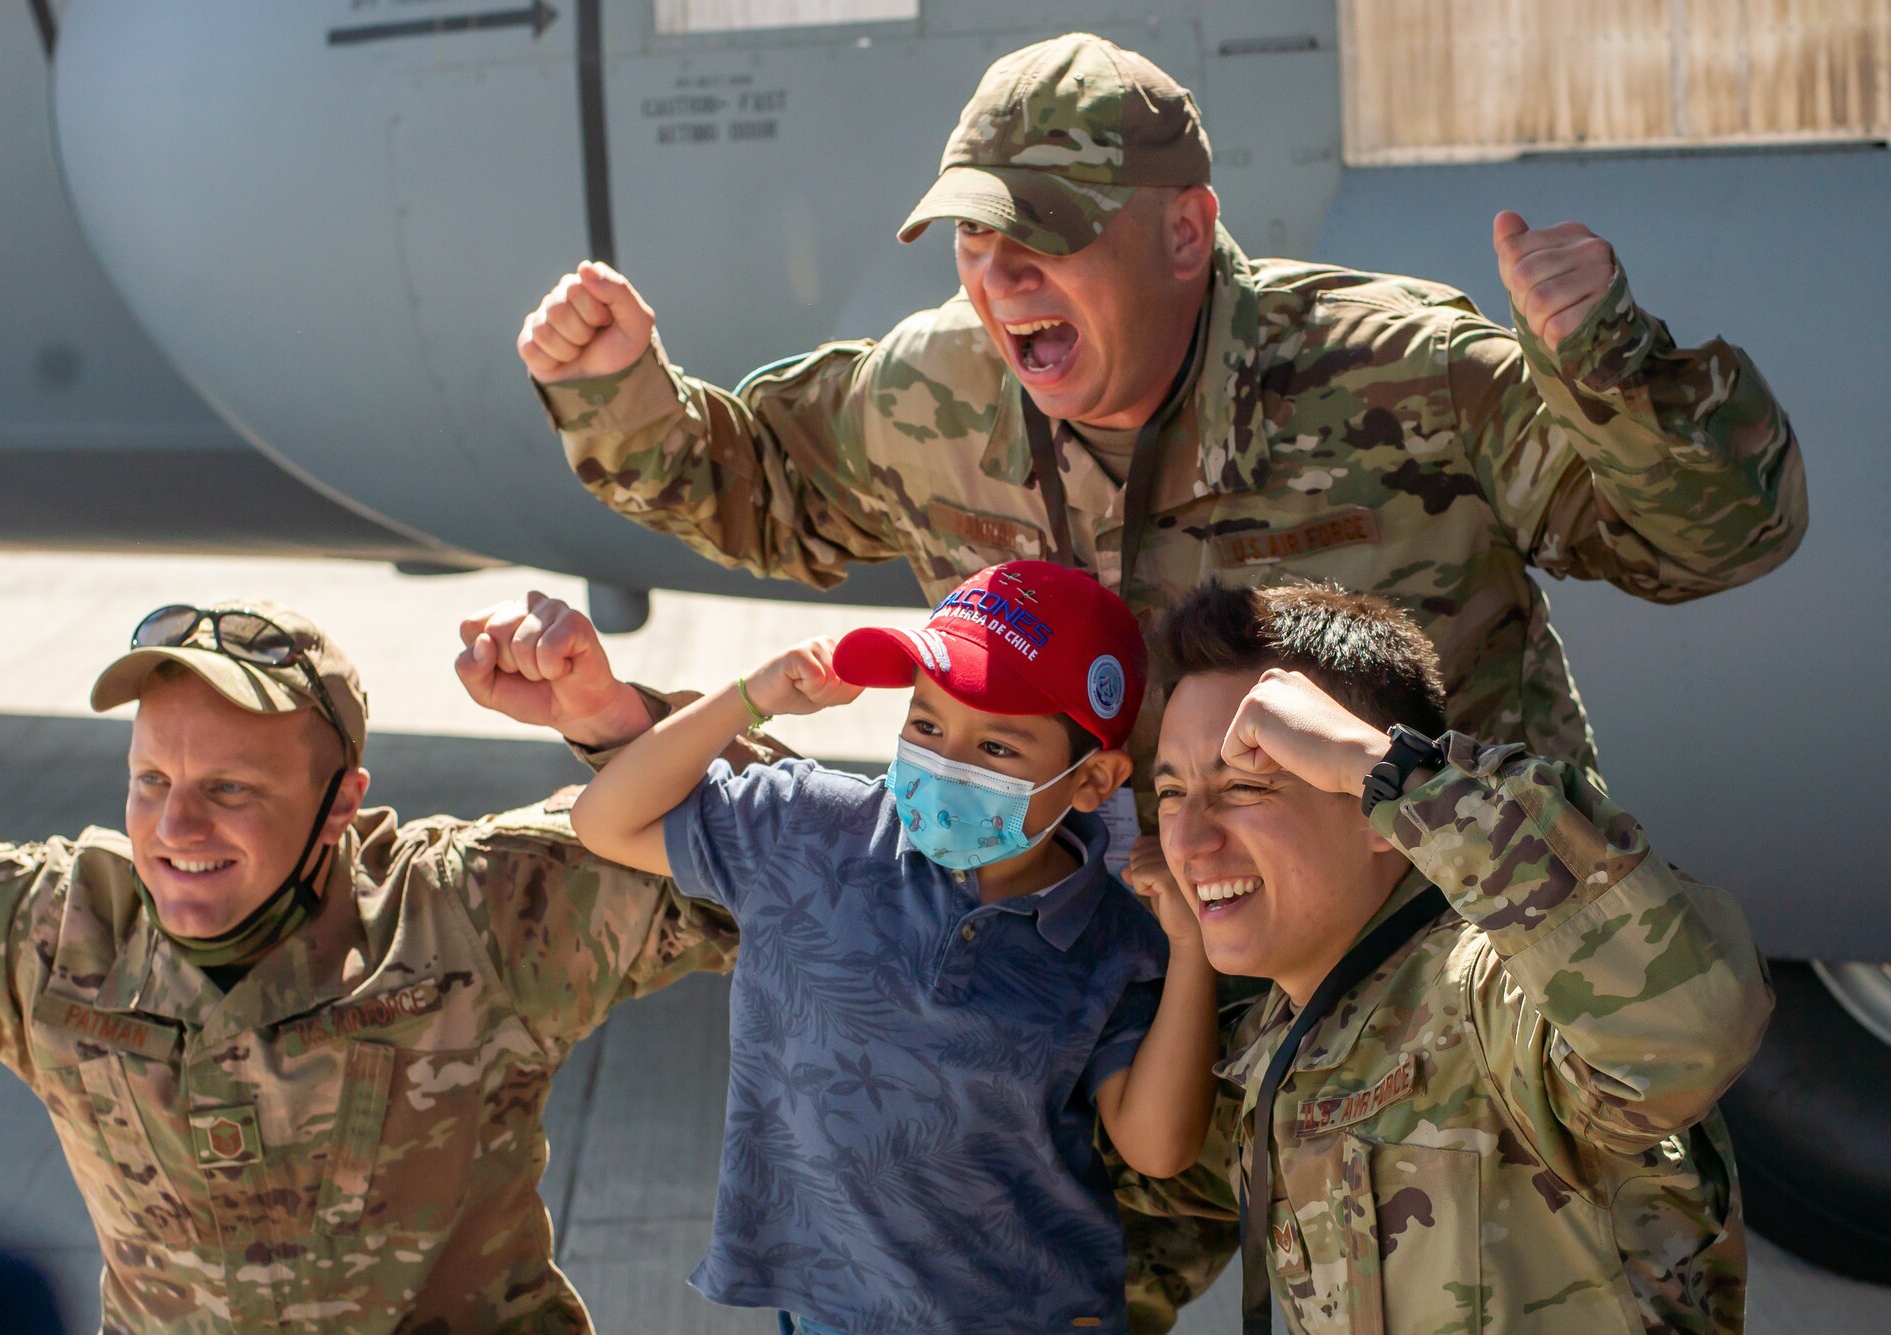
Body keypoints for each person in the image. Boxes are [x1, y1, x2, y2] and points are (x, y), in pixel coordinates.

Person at [517, 32, 1805, 1322]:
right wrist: (620, 396)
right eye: (973, 238)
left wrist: (1610, 369)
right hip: (1136, 994)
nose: (1000, 275)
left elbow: (1705, 537)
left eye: (1045, 235)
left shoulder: (1397, 375)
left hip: (1436, 1020)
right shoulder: (931, 395)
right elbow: (761, 490)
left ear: (1185, 234)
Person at [0, 597, 758, 1333]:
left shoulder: (472, 915)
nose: (174, 830)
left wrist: (614, 723)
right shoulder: (53, 934)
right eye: (151, 780)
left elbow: (807, 879)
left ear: (342, 801)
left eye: (230, 790)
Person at [569, 561, 1219, 1334]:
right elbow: (605, 821)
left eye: (999, 748)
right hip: (831, 1314)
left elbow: (1156, 1147)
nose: (948, 762)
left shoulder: (1111, 937)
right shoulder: (806, 828)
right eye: (927, 725)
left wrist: (1191, 950)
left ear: (1093, 780)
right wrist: (750, 695)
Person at [1131, 580, 1769, 1332]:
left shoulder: (1488, 994)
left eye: (1244, 785)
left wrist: (1391, 766)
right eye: (1172, 794)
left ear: (1375, 811)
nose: (1191, 840)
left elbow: (1688, 1025)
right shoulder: (1281, 1038)